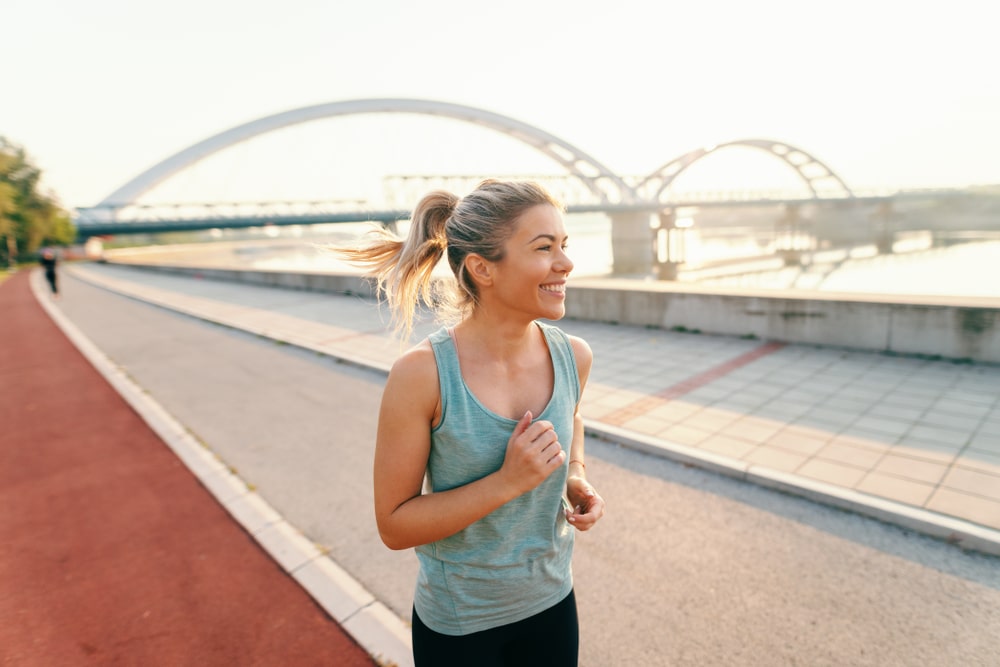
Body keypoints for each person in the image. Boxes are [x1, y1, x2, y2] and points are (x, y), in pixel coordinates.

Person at [337, 179, 605, 666]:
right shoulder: (422, 375)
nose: (565, 263)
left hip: (552, 605)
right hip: (461, 625)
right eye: (544, 248)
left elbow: (572, 417)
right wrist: (507, 482)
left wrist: (575, 475)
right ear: (482, 268)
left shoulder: (574, 356)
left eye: (563, 246)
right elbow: (395, 525)